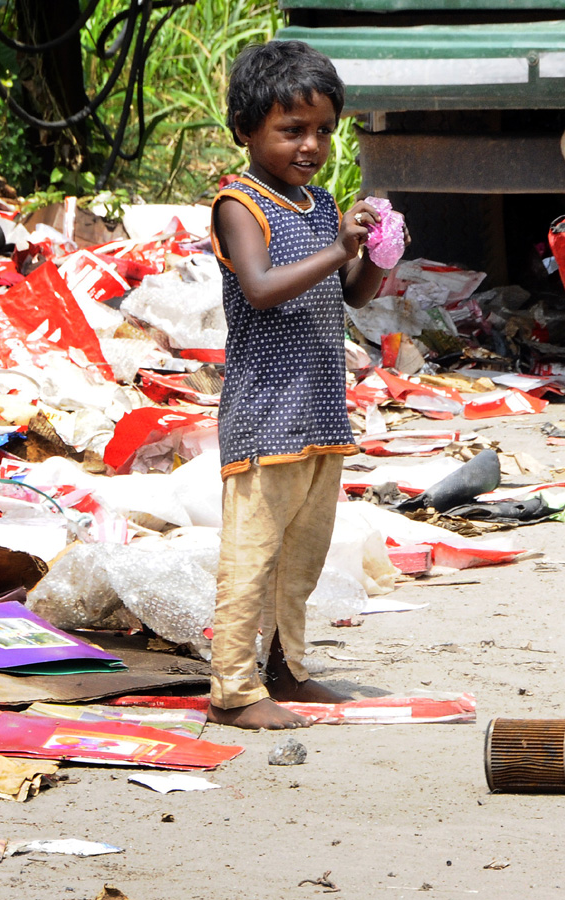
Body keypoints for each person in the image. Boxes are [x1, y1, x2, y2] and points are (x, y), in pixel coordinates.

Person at [207, 40, 402, 730]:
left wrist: (376, 254)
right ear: (246, 131)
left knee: (300, 560)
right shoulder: (241, 204)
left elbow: (351, 292)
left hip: (320, 412)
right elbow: (259, 289)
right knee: (251, 560)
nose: (311, 144)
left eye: (323, 129)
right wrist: (339, 248)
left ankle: (286, 669)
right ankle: (233, 691)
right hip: (265, 414)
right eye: (292, 130)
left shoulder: (318, 204)